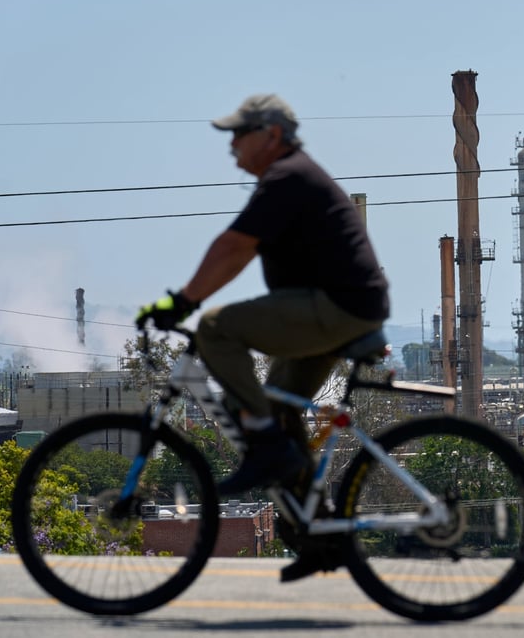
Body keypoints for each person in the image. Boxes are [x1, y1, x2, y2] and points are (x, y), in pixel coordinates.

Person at [137, 93, 389, 580]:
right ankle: (317, 535)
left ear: (270, 135)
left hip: (336, 308)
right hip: (344, 308)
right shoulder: (283, 179)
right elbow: (239, 252)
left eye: (239, 133)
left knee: (215, 328)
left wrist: (185, 302)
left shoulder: (287, 177)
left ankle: (268, 446)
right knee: (279, 409)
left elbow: (233, 249)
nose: (231, 145)